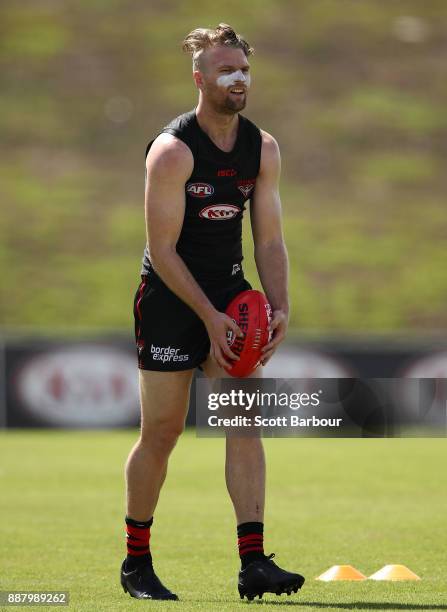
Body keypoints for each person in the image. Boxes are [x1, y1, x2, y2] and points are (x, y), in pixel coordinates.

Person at [120, 23, 305, 601]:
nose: (238, 79)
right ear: (200, 79)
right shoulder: (171, 152)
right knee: (164, 433)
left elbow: (269, 241)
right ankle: (136, 563)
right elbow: (163, 251)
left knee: (243, 422)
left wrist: (278, 305)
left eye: (244, 70)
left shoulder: (262, 147)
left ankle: (254, 564)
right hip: (173, 302)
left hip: (231, 298)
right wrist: (207, 316)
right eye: (226, 70)